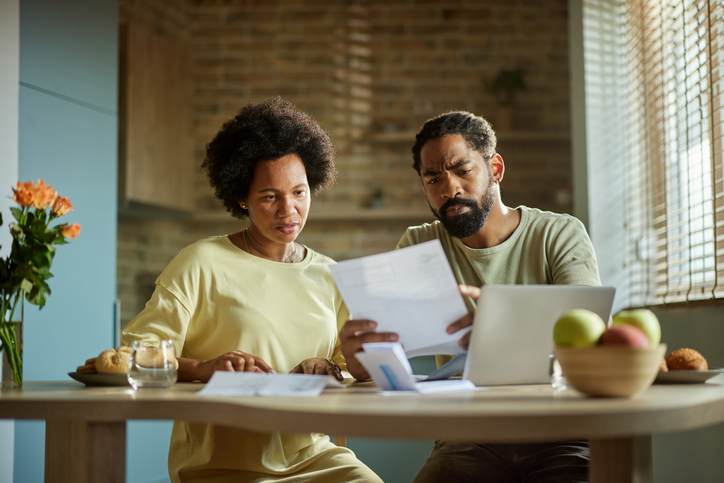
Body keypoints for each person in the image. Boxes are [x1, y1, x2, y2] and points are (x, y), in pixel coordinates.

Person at [122, 97, 381, 483]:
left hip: (315, 457)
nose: (288, 210)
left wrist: (328, 370)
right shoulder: (200, 262)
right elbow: (133, 356)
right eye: (269, 196)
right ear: (242, 197)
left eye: (299, 192)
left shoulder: (330, 274)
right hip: (223, 466)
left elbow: (351, 370)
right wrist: (203, 369)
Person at [340, 110, 601, 483]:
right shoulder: (419, 244)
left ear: (495, 168)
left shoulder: (559, 234)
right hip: (466, 438)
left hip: (561, 431)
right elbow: (391, 354)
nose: (449, 189)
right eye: (433, 179)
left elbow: (589, 334)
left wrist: (505, 325)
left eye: (463, 170)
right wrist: (363, 362)